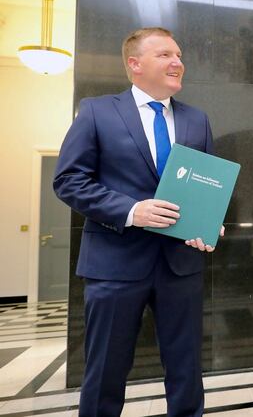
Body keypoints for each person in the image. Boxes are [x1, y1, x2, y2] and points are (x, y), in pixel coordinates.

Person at [54, 27, 221, 417]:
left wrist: (210, 220)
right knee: (105, 373)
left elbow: (207, 184)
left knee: (186, 369)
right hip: (114, 265)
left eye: (178, 54)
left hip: (181, 265)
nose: (178, 62)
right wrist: (132, 211)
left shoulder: (197, 120)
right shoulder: (97, 111)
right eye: (165, 55)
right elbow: (68, 180)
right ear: (134, 64)